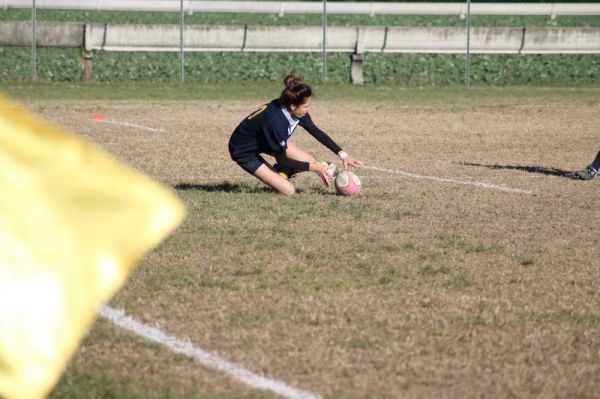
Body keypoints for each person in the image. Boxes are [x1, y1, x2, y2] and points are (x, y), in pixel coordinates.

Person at [228, 71, 363, 195]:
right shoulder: (276, 122)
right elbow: (282, 159)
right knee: (289, 190)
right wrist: (315, 168)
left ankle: (285, 170)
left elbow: (316, 132)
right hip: (243, 150)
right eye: (305, 107)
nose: (308, 110)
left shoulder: (293, 108)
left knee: (310, 161)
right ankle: (285, 170)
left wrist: (343, 154)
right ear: (293, 107)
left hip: (265, 140)